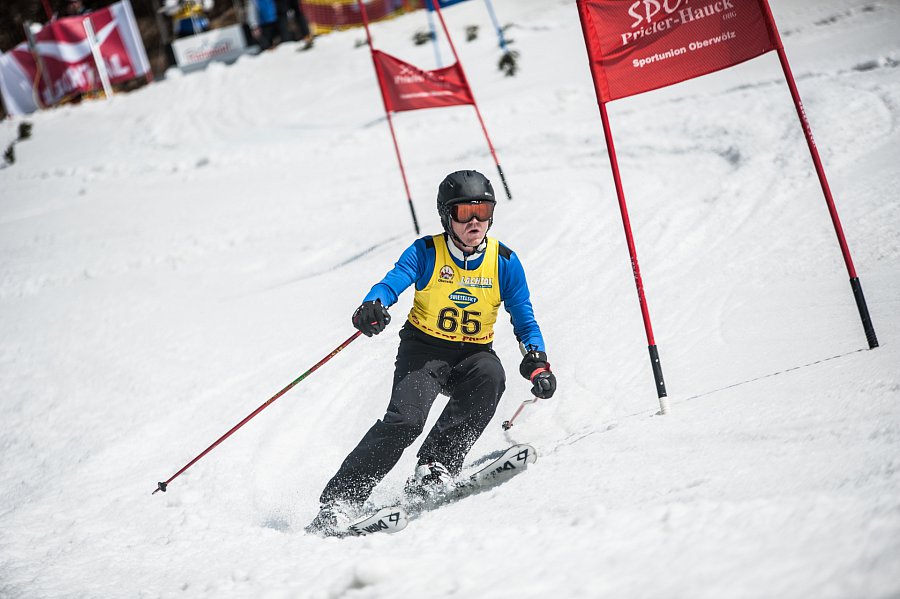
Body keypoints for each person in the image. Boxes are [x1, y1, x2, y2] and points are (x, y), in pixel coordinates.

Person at [306, 170, 557, 536]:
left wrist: (537, 361)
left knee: (491, 375)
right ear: (446, 216)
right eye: (464, 213)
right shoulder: (426, 252)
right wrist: (374, 304)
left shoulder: (504, 262)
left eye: (483, 211)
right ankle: (340, 501)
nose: (475, 221)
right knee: (406, 421)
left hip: (473, 355)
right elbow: (392, 281)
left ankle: (435, 467)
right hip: (424, 352)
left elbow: (524, 318)